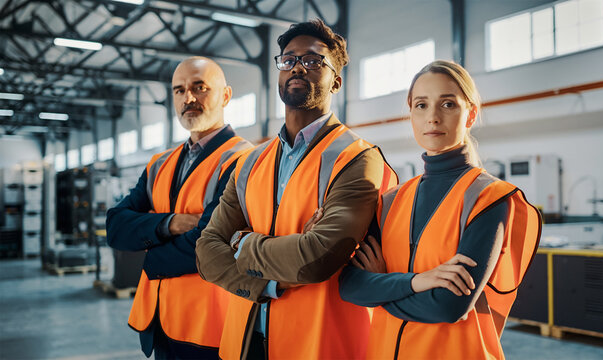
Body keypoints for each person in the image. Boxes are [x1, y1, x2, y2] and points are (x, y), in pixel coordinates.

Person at [195, 19, 397, 360]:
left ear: (336, 80)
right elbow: (206, 252)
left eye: (314, 60)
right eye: (288, 60)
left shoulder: (358, 159)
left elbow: (317, 258)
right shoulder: (249, 162)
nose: (298, 67)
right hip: (245, 341)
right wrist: (272, 282)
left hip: (317, 344)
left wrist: (242, 242)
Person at [339, 60, 541, 360]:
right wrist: (417, 282)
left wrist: (382, 286)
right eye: (421, 105)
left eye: (447, 104)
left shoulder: (489, 198)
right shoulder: (391, 201)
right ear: (411, 113)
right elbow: (350, 286)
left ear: (470, 114)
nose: (432, 117)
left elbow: (449, 306)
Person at [106, 56, 252, 359]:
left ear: (225, 95)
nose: (188, 98)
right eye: (179, 90)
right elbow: (115, 225)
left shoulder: (243, 160)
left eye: (200, 88)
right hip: (159, 322)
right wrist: (168, 224)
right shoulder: (159, 164)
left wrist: (149, 259)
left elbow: (210, 243)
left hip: (209, 325)